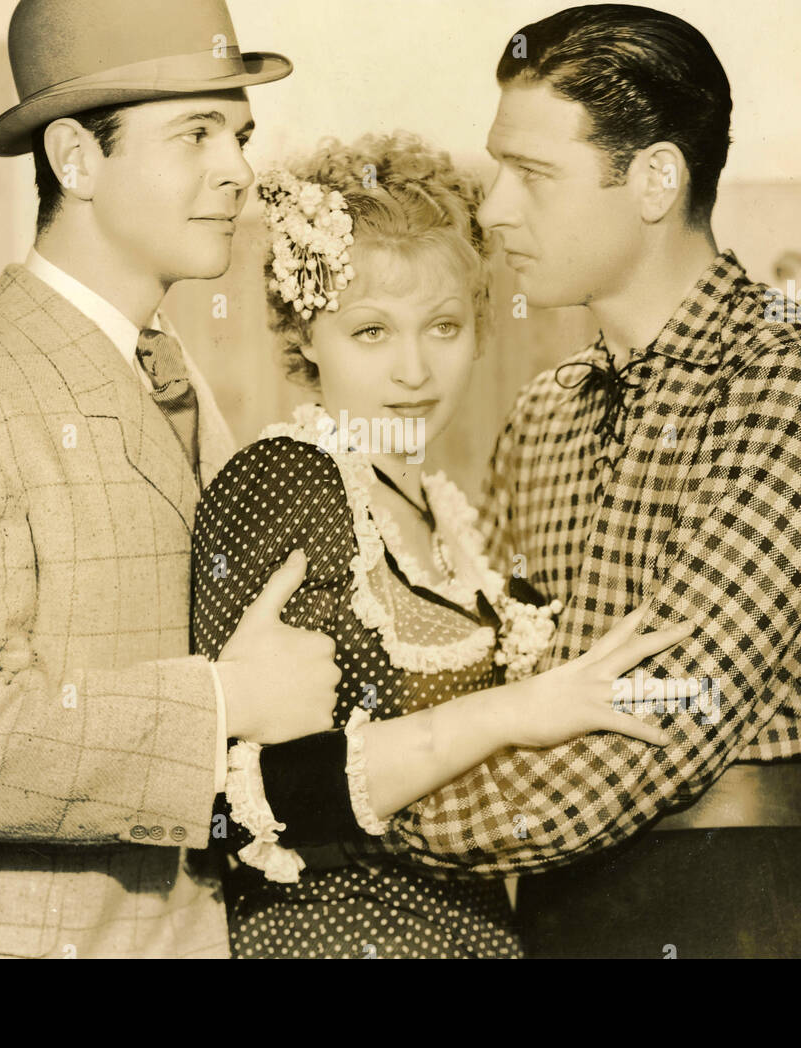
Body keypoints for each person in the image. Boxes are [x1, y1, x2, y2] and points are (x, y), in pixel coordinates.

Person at [221, 6, 801, 959]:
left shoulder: (795, 381)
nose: (497, 209)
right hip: (540, 917)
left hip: (736, 904)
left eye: (533, 175)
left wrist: (324, 797)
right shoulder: (545, 411)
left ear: (655, 180)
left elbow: (639, 745)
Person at [0, 0, 347, 959]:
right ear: (74, 160)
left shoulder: (187, 383)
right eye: (195, 133)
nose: (238, 170)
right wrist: (224, 702)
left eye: (240, 135)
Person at [190, 133, 691, 958]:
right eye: (372, 332)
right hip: (327, 942)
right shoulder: (285, 482)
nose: (415, 371)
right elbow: (229, 802)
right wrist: (511, 711)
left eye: (444, 326)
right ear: (306, 332)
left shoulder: (442, 509)